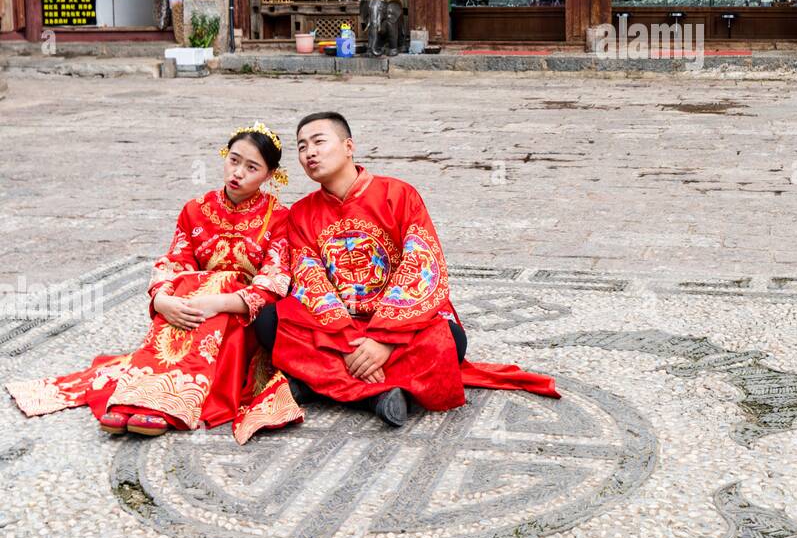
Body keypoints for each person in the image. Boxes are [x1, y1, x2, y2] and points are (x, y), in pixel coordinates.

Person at [7, 123, 302, 443]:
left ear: (271, 175)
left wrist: (217, 301)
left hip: (237, 317)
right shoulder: (195, 210)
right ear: (224, 156)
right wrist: (162, 300)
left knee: (212, 291)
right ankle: (141, 394)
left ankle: (173, 402)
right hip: (190, 303)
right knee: (187, 286)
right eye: (233, 160)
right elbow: (174, 262)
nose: (238, 172)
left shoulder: (279, 218)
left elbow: (273, 282)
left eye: (252, 167)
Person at [263, 112, 557, 426]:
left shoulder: (399, 195)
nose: (310, 153)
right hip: (338, 328)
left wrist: (384, 341)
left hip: (398, 327)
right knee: (269, 321)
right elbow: (311, 280)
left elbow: (421, 266)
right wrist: (347, 345)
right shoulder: (302, 213)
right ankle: (380, 394)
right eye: (301, 147)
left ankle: (316, 382)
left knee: (450, 338)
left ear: (349, 146)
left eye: (319, 142)